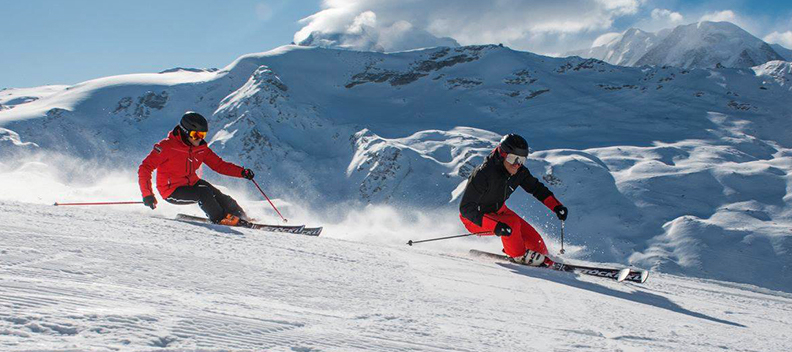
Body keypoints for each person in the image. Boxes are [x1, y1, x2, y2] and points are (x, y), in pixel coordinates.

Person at [459, 134, 568, 266]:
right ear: (502, 155)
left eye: (521, 160)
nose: (517, 164)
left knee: (535, 241)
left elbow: (536, 188)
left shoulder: (519, 171)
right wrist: (495, 226)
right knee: (511, 224)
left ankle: (538, 255)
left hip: (500, 211)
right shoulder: (484, 174)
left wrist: (556, 206)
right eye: (513, 158)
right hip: (476, 218)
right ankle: (518, 255)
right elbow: (466, 209)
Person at [138, 111, 256, 226]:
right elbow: (145, 168)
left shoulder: (200, 149)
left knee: (220, 196)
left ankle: (241, 216)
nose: (199, 139)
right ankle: (220, 219)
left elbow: (219, 165)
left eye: (202, 135)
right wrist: (147, 194)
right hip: (171, 190)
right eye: (196, 135)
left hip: (192, 182)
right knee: (204, 193)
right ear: (185, 132)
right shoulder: (166, 147)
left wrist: (242, 172)